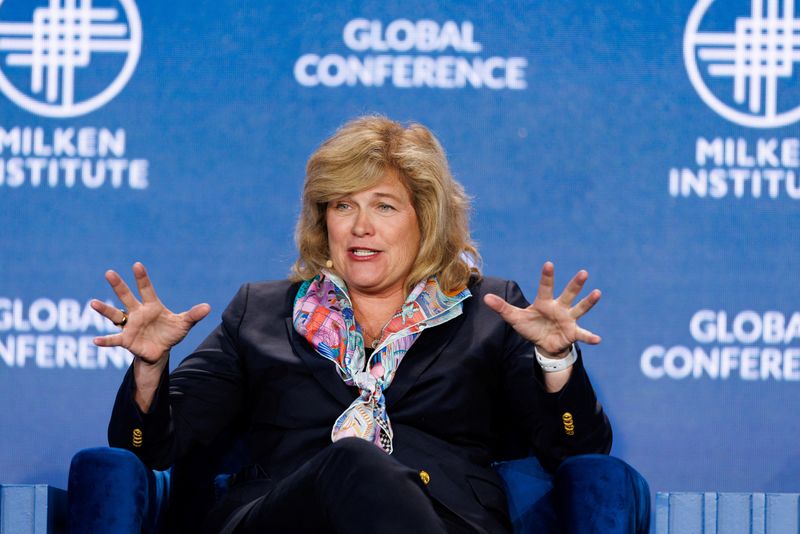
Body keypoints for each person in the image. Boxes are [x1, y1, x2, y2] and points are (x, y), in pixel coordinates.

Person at [95, 116, 626, 533]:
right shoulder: (259, 312)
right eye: (343, 204)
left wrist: (555, 362)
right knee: (349, 461)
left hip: (441, 519)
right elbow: (148, 446)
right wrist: (150, 366)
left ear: (427, 218)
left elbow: (575, 450)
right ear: (322, 219)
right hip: (285, 519)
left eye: (385, 206)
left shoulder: (489, 311)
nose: (361, 226)